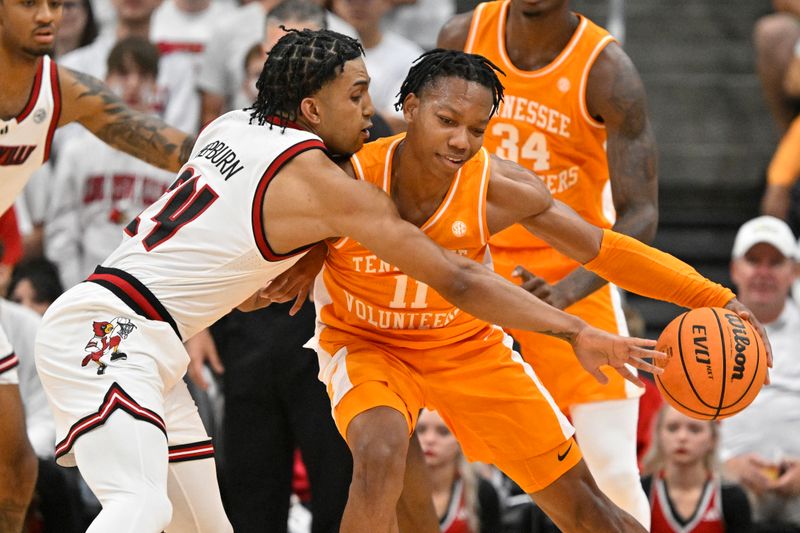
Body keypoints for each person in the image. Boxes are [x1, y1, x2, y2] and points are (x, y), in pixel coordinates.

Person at [33, 28, 665, 532]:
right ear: (312, 107)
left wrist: (303, 256)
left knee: (202, 526)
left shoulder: (227, 126)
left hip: (146, 338)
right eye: (358, 95)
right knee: (140, 507)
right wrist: (573, 328)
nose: (372, 109)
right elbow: (456, 277)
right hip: (114, 331)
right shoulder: (324, 182)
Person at [303, 48, 765, 533]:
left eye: (477, 130)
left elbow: (604, 249)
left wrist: (712, 296)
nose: (461, 141)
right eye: (447, 120)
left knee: (589, 509)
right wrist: (296, 258)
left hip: (466, 348)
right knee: (381, 455)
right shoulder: (348, 175)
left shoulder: (497, 187)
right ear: (411, 107)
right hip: (369, 346)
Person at [438, 0, 658, 525]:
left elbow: (642, 214)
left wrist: (569, 293)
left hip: (569, 275)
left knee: (613, 470)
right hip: (470, 264)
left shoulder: (607, 70)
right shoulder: (462, 35)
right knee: (429, 448)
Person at [0, 0, 193, 529]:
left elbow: (162, 141)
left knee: (16, 469)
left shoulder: (61, 89)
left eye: (57, 4)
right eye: (29, 3)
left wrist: (250, 156)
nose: (49, 15)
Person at [45, 36, 174, 289]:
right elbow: (61, 231)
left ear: (157, 86)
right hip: (87, 284)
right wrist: (78, 287)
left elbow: (174, 238)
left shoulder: (173, 160)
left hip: (150, 291)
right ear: (106, 81)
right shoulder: (78, 152)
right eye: (123, 74)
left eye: (144, 76)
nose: (133, 85)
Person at [721, 215, 800, 531]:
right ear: (735, 269)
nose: (763, 272)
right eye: (754, 261)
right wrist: (725, 468)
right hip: (725, 496)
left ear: (794, 272)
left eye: (775, 262)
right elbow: (679, 426)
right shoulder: (700, 334)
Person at [641, 405, 753, 533]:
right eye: (672, 428)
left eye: (694, 430)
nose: (682, 437)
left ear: (713, 439)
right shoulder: (642, 491)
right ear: (658, 435)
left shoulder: (731, 497)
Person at [415, 408, 501, 533]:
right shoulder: (394, 490)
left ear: (460, 440)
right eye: (421, 430)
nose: (429, 439)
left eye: (443, 432)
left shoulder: (483, 491)